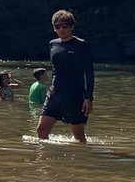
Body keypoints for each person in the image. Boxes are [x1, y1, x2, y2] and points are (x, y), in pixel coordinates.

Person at [36, 10, 94, 143]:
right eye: (58, 26)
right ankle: (44, 161)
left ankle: (80, 160)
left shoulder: (81, 45)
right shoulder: (53, 44)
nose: (61, 29)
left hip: (74, 96)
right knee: (41, 130)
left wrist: (89, 99)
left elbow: (89, 73)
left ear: (72, 27)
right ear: (54, 28)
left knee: (78, 137)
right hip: (54, 94)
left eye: (65, 26)